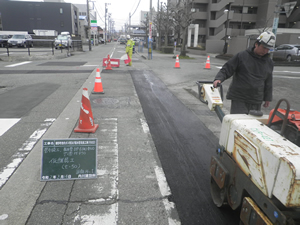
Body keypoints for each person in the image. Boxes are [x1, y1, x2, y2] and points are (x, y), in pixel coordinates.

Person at [213, 31, 276, 114]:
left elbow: (268, 80)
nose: (265, 51)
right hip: (240, 97)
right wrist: (219, 78)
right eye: (264, 47)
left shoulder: (269, 62)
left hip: (256, 99)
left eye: (268, 49)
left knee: (252, 125)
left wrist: (267, 98)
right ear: (256, 44)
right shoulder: (242, 56)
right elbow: (228, 68)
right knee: (238, 123)